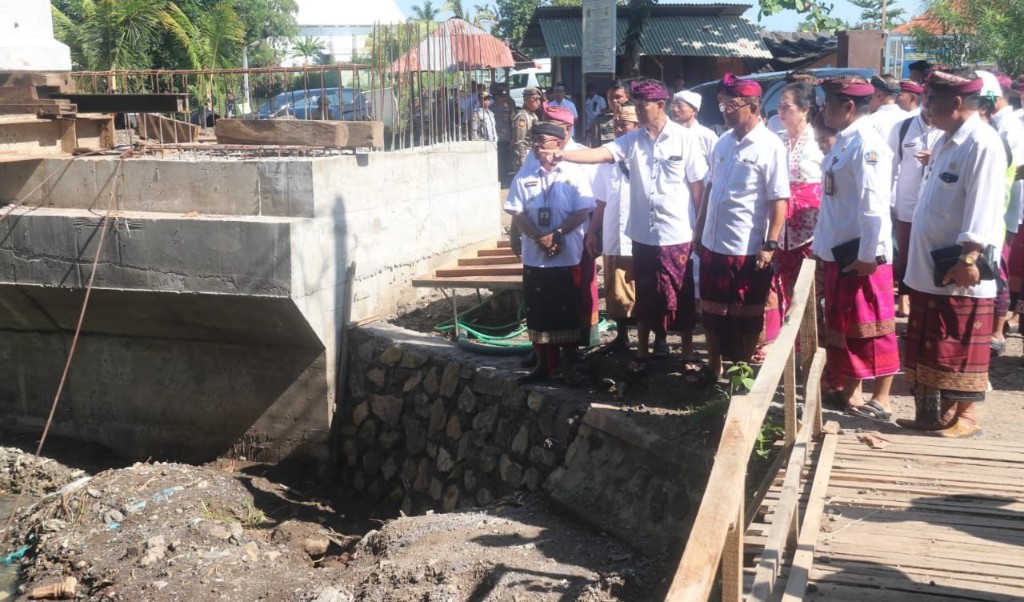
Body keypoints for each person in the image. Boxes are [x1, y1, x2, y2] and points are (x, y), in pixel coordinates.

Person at [542, 78, 707, 377]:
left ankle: (686, 351)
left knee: (680, 295)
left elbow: (698, 188)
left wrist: (699, 228)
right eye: (636, 106)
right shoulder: (633, 141)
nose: (639, 111)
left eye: (643, 106)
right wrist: (563, 154)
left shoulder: (685, 140)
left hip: (677, 233)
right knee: (644, 294)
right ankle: (642, 351)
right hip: (642, 233)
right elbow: (600, 153)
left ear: (660, 105)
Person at [898, 69, 1007, 437]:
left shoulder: (982, 143)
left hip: (958, 266)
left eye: (931, 100)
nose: (925, 107)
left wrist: (970, 257)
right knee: (934, 341)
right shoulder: (947, 140)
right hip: (930, 267)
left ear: (956, 102)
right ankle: (938, 415)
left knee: (957, 340)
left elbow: (983, 205)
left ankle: (967, 417)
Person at [813, 76, 899, 421]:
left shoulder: (866, 143)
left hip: (863, 256)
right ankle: (852, 391)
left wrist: (866, 257)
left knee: (873, 327)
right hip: (841, 252)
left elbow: (873, 206)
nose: (823, 109)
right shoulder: (845, 141)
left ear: (848, 106)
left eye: (829, 103)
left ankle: (883, 398)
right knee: (848, 326)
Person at [693, 73, 789, 377]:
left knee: (745, 313)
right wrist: (698, 229)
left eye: (732, 106)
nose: (726, 112)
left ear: (754, 106)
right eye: (724, 106)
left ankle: (741, 372)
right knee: (711, 309)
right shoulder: (722, 142)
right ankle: (714, 366)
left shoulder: (770, 146)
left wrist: (770, 244)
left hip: (745, 246)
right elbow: (710, 187)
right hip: (713, 242)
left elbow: (779, 200)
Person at [504, 121, 595, 383]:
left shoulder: (574, 174)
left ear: (558, 143)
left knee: (567, 310)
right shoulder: (525, 175)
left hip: (567, 255)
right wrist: (537, 237)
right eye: (534, 140)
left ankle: (567, 367)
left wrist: (556, 235)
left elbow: (583, 211)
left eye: (542, 140)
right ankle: (543, 365)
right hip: (536, 257)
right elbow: (517, 211)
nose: (536, 145)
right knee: (539, 311)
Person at [762, 82, 824, 351]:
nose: (781, 112)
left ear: (805, 110)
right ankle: (781, 340)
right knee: (780, 281)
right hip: (781, 225)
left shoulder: (819, 141)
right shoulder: (776, 139)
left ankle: (810, 341)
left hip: (811, 226)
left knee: (809, 284)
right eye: (779, 107)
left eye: (786, 107)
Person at [586, 104, 640, 352]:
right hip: (614, 233)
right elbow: (601, 200)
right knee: (616, 289)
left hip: (641, 234)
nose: (618, 129)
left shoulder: (647, 155)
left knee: (644, 287)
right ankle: (622, 337)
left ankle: (653, 340)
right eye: (616, 125)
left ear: (637, 126)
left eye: (623, 125)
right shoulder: (607, 159)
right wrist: (592, 231)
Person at [982, 71, 1024, 355]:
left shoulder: (1009, 126)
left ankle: (997, 331)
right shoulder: (1002, 123)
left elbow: (1017, 169)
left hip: (1004, 209)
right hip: (998, 208)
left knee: (998, 269)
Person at [889, 98, 941, 318]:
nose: (929, 111)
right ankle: (904, 297)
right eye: (926, 105)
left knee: (929, 252)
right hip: (907, 202)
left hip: (935, 204)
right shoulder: (903, 128)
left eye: (933, 105)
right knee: (906, 252)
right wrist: (889, 200)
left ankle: (926, 301)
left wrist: (935, 157)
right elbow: (890, 166)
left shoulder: (947, 130)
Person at [669, 90, 718, 166]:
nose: (675, 109)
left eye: (679, 106)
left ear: (694, 110)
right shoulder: (668, 134)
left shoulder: (707, 136)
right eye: (673, 106)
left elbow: (717, 166)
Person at [865, 74, 909, 139]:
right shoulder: (909, 118)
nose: (868, 99)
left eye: (870, 96)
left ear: (880, 95)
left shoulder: (870, 122)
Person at [589, 81, 629, 148]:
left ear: (627, 97)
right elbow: (594, 148)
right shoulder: (599, 121)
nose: (614, 100)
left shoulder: (636, 119)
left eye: (618, 97)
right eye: (610, 97)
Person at [491, 84, 515, 185]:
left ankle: (503, 178)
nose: (503, 99)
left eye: (504, 96)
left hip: (505, 137)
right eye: (501, 96)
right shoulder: (491, 108)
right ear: (496, 96)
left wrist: (513, 137)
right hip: (494, 137)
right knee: (495, 159)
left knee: (504, 159)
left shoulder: (509, 108)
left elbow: (512, 123)